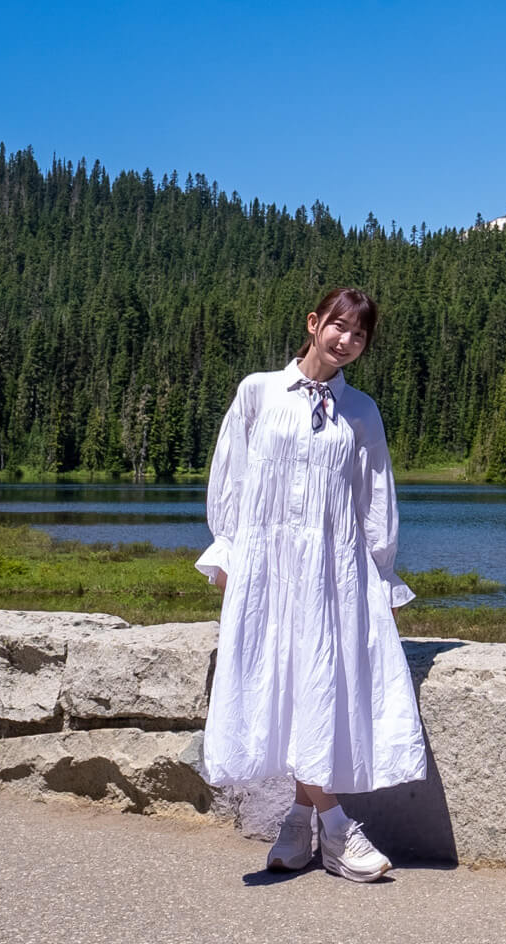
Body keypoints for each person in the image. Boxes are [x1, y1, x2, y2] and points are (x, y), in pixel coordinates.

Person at [196, 286, 428, 881]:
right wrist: (227, 553)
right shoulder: (258, 393)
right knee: (288, 683)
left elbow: (377, 499)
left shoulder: (362, 412)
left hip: (334, 572)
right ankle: (335, 825)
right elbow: (231, 477)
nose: (347, 340)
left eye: (360, 335)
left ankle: (304, 823)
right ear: (314, 323)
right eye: (339, 326)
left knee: (318, 685)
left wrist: (382, 576)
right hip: (270, 570)